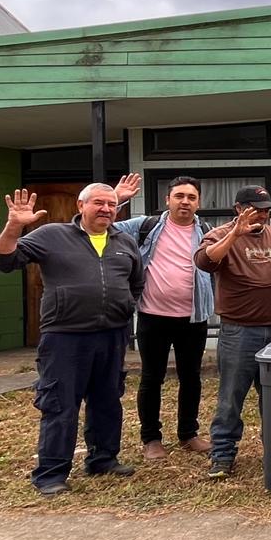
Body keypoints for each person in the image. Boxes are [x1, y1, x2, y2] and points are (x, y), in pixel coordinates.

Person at [0, 184, 143, 496]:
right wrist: (14, 227)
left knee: (107, 400)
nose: (106, 209)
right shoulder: (51, 236)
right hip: (65, 338)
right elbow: (1, 262)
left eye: (112, 204)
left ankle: (103, 459)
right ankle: (51, 473)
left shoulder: (124, 242)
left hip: (112, 335)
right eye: (98, 203)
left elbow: (136, 282)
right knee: (60, 404)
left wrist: (123, 307)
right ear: (80, 205)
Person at [195, 186, 271, 479]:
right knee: (231, 396)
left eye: (267, 209)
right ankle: (222, 455)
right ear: (239, 208)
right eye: (257, 209)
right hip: (240, 330)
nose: (264, 214)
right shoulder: (220, 234)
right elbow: (205, 261)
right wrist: (235, 233)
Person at [111, 174, 214, 461]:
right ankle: (151, 439)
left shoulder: (206, 231)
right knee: (151, 377)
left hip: (193, 318)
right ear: (167, 200)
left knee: (191, 377)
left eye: (191, 197)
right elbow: (99, 225)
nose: (185, 202)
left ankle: (188, 433)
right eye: (179, 196)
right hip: (152, 316)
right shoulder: (145, 226)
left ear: (198, 203)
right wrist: (118, 199)